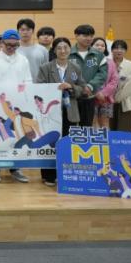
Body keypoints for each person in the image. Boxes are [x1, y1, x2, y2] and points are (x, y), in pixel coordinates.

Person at [36, 37, 87, 186]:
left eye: (66, 47)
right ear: (54, 50)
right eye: (59, 48)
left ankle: (64, 174)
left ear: (70, 49)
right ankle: (48, 175)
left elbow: (82, 88)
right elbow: (39, 88)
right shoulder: (46, 67)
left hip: (70, 111)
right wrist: (55, 88)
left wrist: (71, 87)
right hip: (51, 112)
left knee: (66, 143)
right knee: (50, 144)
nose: (63, 51)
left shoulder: (76, 67)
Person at [0, 29, 31, 183]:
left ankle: (15, 168)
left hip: (17, 105)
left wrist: (22, 96)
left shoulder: (23, 60)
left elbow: (28, 81)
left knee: (16, 136)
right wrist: (3, 100)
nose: (11, 48)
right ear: (1, 43)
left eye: (15, 45)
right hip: (0, 105)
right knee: (0, 137)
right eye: (8, 45)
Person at [68, 25, 108, 127]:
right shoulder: (67, 53)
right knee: (69, 127)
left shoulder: (99, 55)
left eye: (91, 36)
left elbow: (102, 73)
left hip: (89, 97)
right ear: (76, 36)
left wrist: (90, 86)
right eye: (85, 35)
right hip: (70, 97)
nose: (89, 38)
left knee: (86, 126)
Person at [110, 40, 131, 132]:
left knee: (125, 131)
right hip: (109, 103)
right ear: (112, 50)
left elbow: (130, 87)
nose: (119, 50)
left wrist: (116, 99)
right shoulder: (107, 64)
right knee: (111, 130)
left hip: (126, 102)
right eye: (116, 48)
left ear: (125, 51)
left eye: (122, 48)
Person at [91, 37, 118, 130]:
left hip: (106, 98)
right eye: (97, 45)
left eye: (102, 45)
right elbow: (86, 78)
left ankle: (106, 139)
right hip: (91, 97)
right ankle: (94, 139)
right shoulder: (87, 62)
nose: (100, 47)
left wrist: (104, 93)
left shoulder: (111, 62)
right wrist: (97, 93)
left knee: (105, 123)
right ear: (91, 46)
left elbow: (114, 80)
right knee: (92, 122)